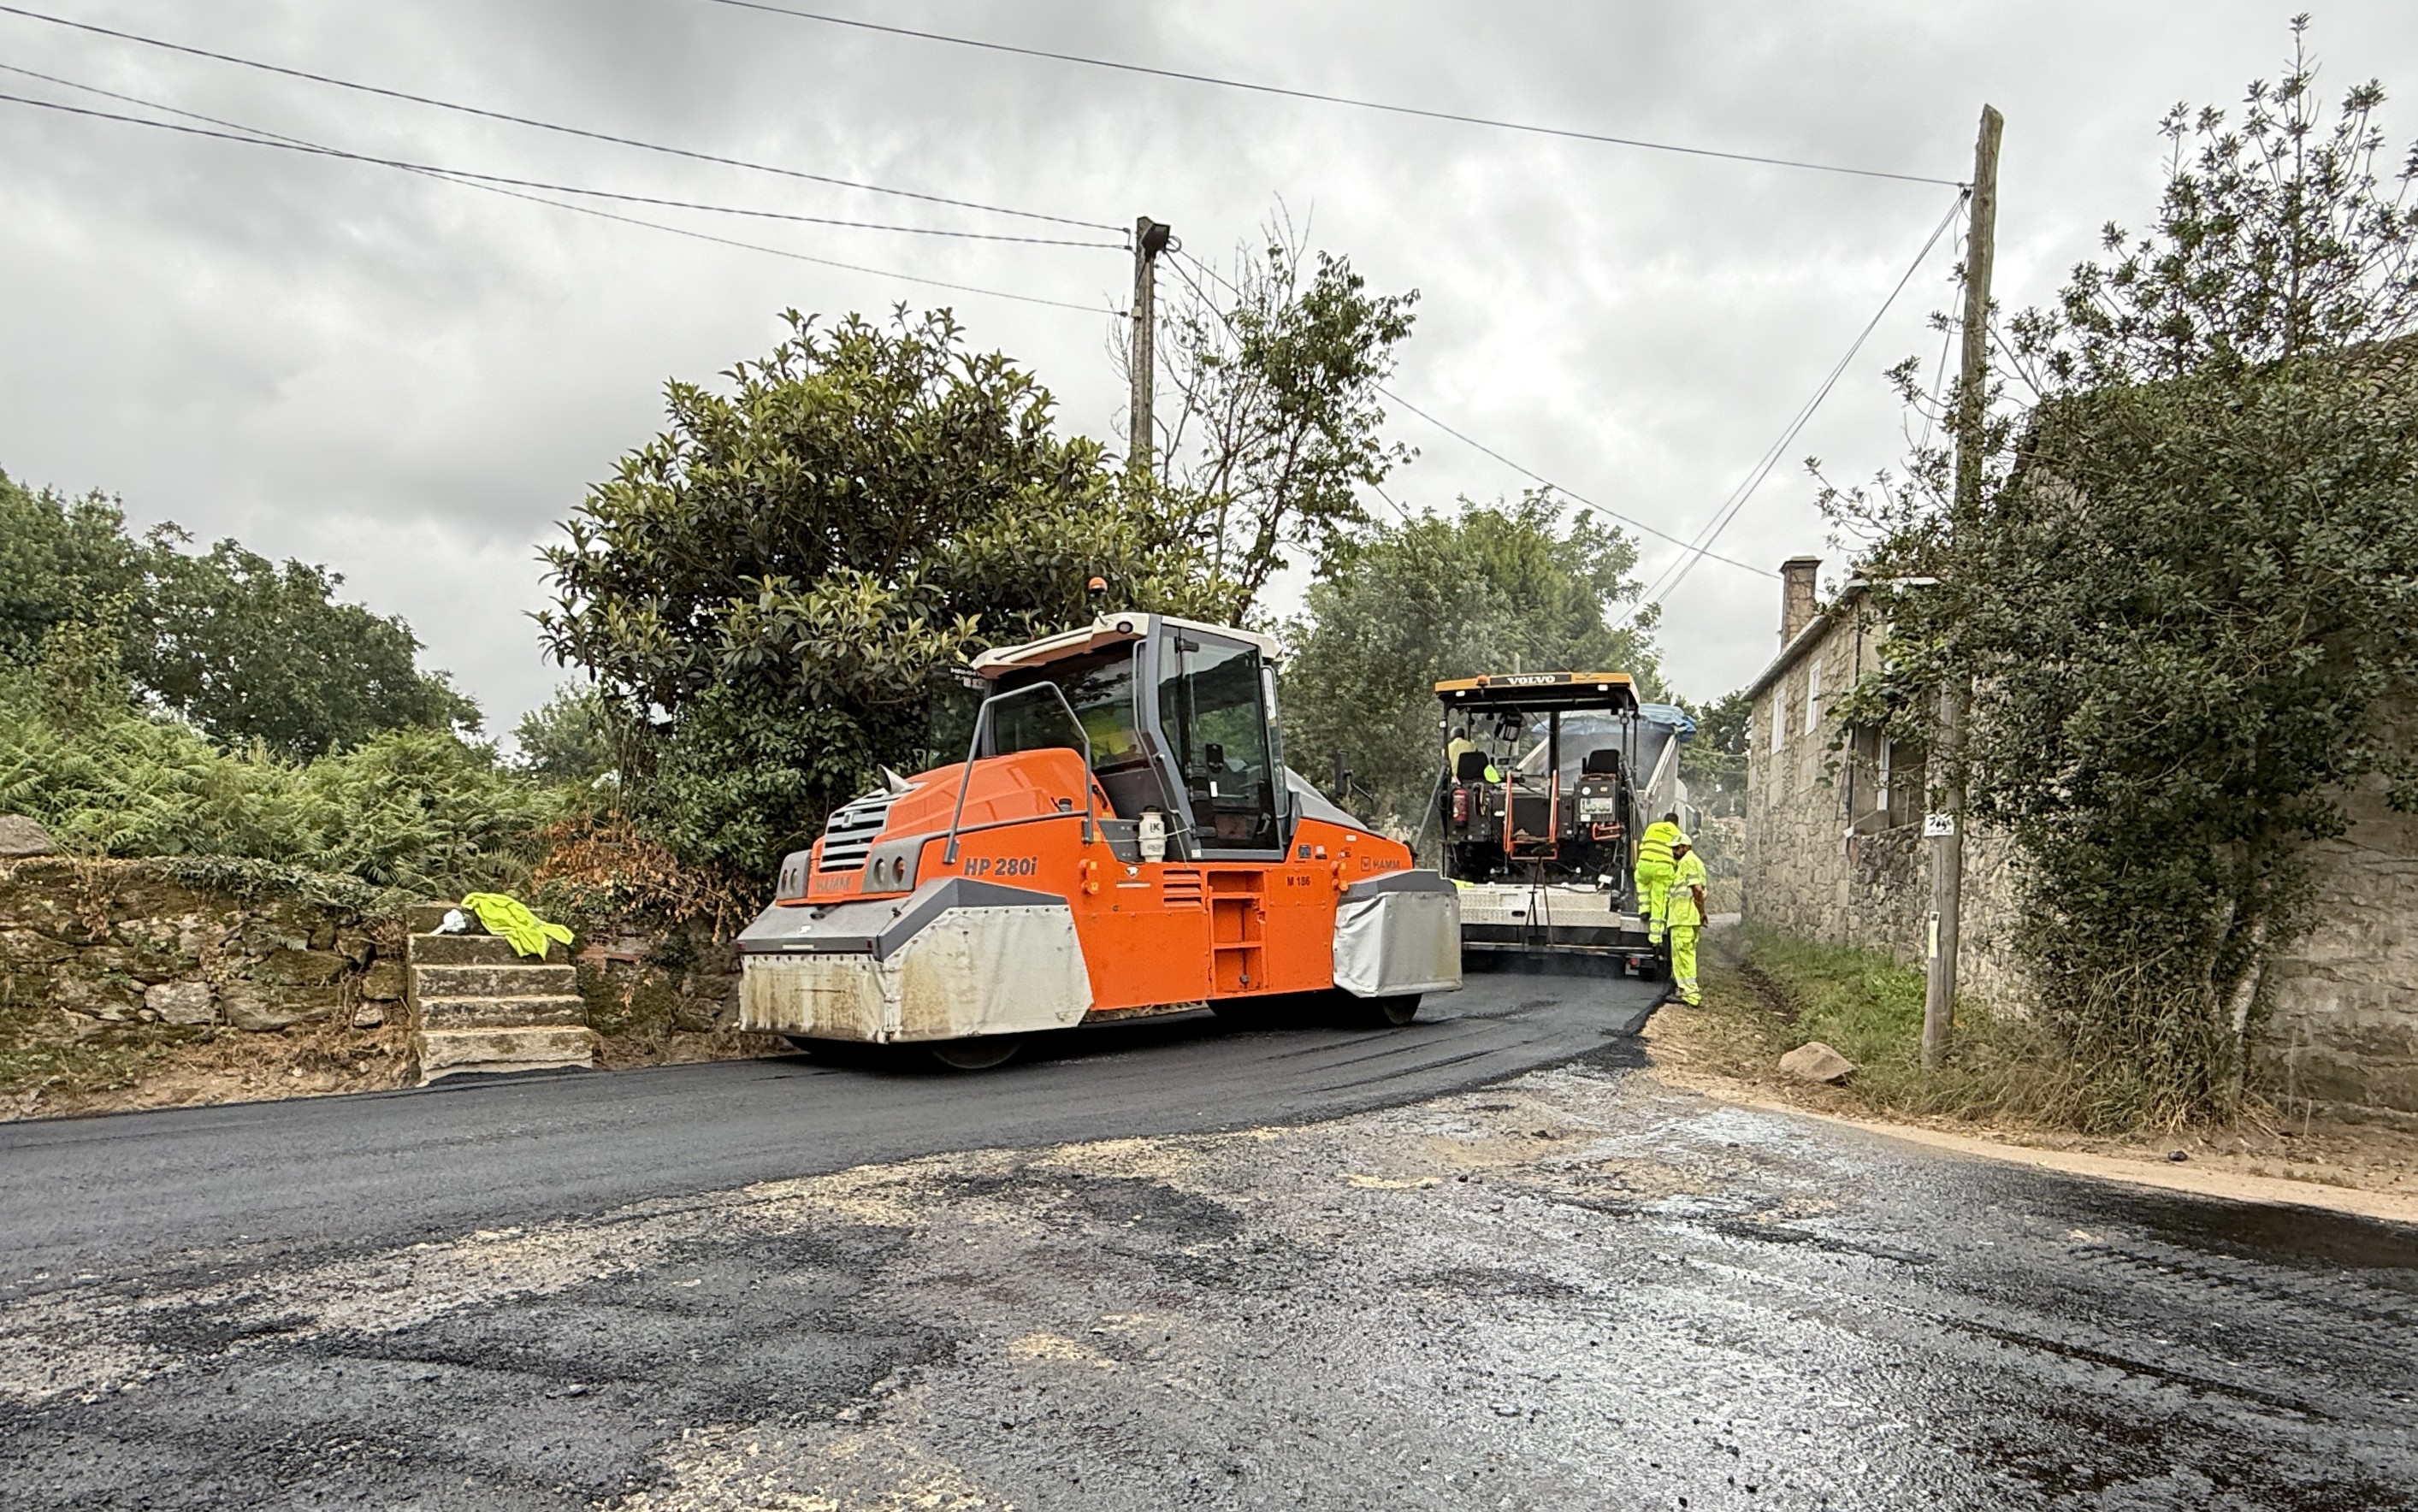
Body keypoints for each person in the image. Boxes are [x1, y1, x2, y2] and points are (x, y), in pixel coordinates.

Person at [1664, 834, 1709, 1007]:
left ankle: (1690, 994)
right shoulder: (1697, 862)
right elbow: (1704, 891)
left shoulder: (1687, 861)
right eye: (1673, 848)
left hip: (1683, 918)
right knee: (1687, 955)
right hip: (1689, 918)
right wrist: (1701, 913)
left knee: (1682, 956)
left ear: (1686, 847)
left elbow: (1697, 890)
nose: (1674, 851)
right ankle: (1688, 992)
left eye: (1677, 848)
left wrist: (1702, 912)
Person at [1633, 812, 1682, 943]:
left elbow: (1644, 845)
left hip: (1645, 864)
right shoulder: (1677, 833)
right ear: (1676, 823)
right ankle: (1655, 938)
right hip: (1662, 869)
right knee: (1659, 901)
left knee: (1641, 881)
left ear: (1664, 820)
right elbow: (1679, 857)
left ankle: (1644, 909)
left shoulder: (1652, 827)